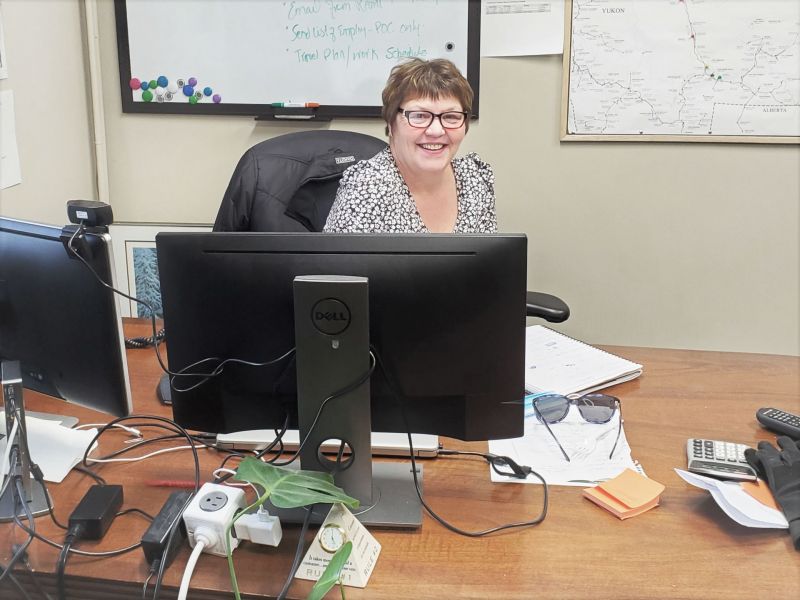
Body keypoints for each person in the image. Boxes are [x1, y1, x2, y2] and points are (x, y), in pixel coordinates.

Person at [323, 58, 496, 234]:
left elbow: (489, 261)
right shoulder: (366, 189)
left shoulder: (475, 180)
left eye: (451, 116)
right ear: (391, 124)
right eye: (419, 116)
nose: (436, 131)